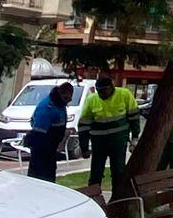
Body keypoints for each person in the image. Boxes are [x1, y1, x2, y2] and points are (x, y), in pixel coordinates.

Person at [80, 73, 138, 204]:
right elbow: (83, 125)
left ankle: (117, 201)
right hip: (99, 144)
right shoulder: (92, 100)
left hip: (118, 142)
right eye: (99, 91)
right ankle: (93, 202)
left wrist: (135, 137)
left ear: (111, 87)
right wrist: (84, 147)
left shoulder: (124, 95)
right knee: (96, 174)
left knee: (118, 172)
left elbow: (134, 117)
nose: (101, 94)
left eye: (104, 91)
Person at [26, 81, 73, 183]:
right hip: (41, 150)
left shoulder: (59, 104)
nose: (68, 101)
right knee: (39, 177)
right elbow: (39, 134)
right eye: (66, 98)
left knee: (49, 176)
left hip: (50, 149)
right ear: (61, 94)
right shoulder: (47, 107)